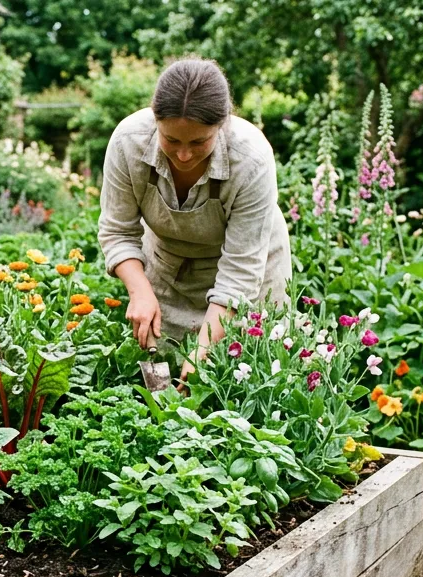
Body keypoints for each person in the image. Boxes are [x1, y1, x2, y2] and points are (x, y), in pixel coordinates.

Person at [97, 57, 291, 378]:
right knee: (162, 372)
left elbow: (240, 273)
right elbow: (117, 232)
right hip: (169, 266)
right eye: (171, 140)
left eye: (199, 142)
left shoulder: (251, 159)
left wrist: (203, 348)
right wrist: (140, 290)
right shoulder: (128, 142)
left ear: (222, 125)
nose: (184, 155)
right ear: (155, 121)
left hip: (249, 272)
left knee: (243, 375)